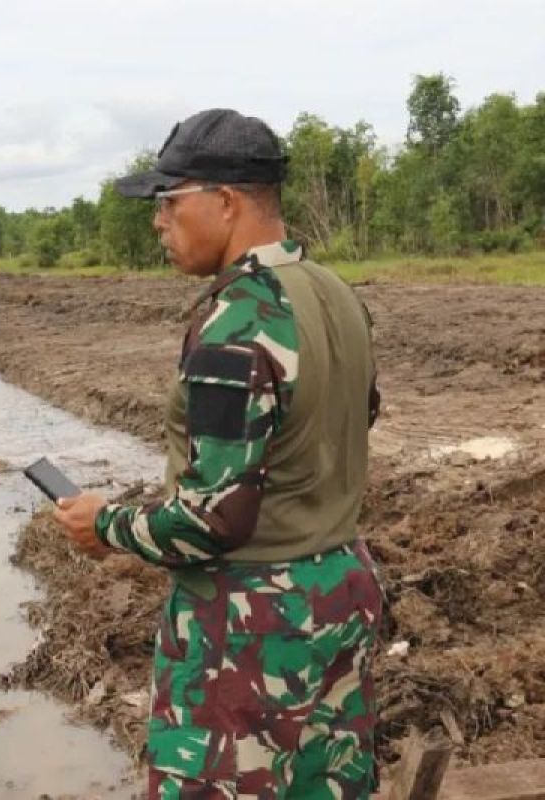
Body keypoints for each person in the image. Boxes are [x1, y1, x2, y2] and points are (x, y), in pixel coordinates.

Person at [54, 109, 383, 799]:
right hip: (340, 591)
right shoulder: (333, 294)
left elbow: (213, 519)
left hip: (250, 624)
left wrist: (106, 523)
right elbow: (352, 419)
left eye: (169, 203)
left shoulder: (237, 317)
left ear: (225, 202)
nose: (158, 222)